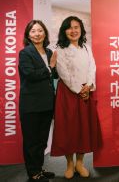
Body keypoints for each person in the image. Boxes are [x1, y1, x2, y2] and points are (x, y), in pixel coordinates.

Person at [50, 16, 101, 179]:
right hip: (68, 94)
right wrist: (79, 89)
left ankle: (80, 162)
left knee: (84, 128)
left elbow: (92, 67)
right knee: (69, 129)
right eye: (70, 28)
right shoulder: (60, 49)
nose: (74, 31)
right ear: (64, 31)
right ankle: (70, 164)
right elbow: (63, 73)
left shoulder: (86, 47)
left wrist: (89, 85)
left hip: (86, 91)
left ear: (81, 30)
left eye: (77, 27)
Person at [18, 20, 57, 182]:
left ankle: (39, 168)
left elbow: (53, 76)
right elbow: (30, 74)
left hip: (47, 104)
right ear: (28, 35)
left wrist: (56, 68)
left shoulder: (48, 52)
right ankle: (33, 173)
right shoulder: (25, 53)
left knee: (42, 140)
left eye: (40, 30)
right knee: (31, 142)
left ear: (45, 33)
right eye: (33, 31)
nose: (37, 34)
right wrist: (50, 67)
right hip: (31, 105)